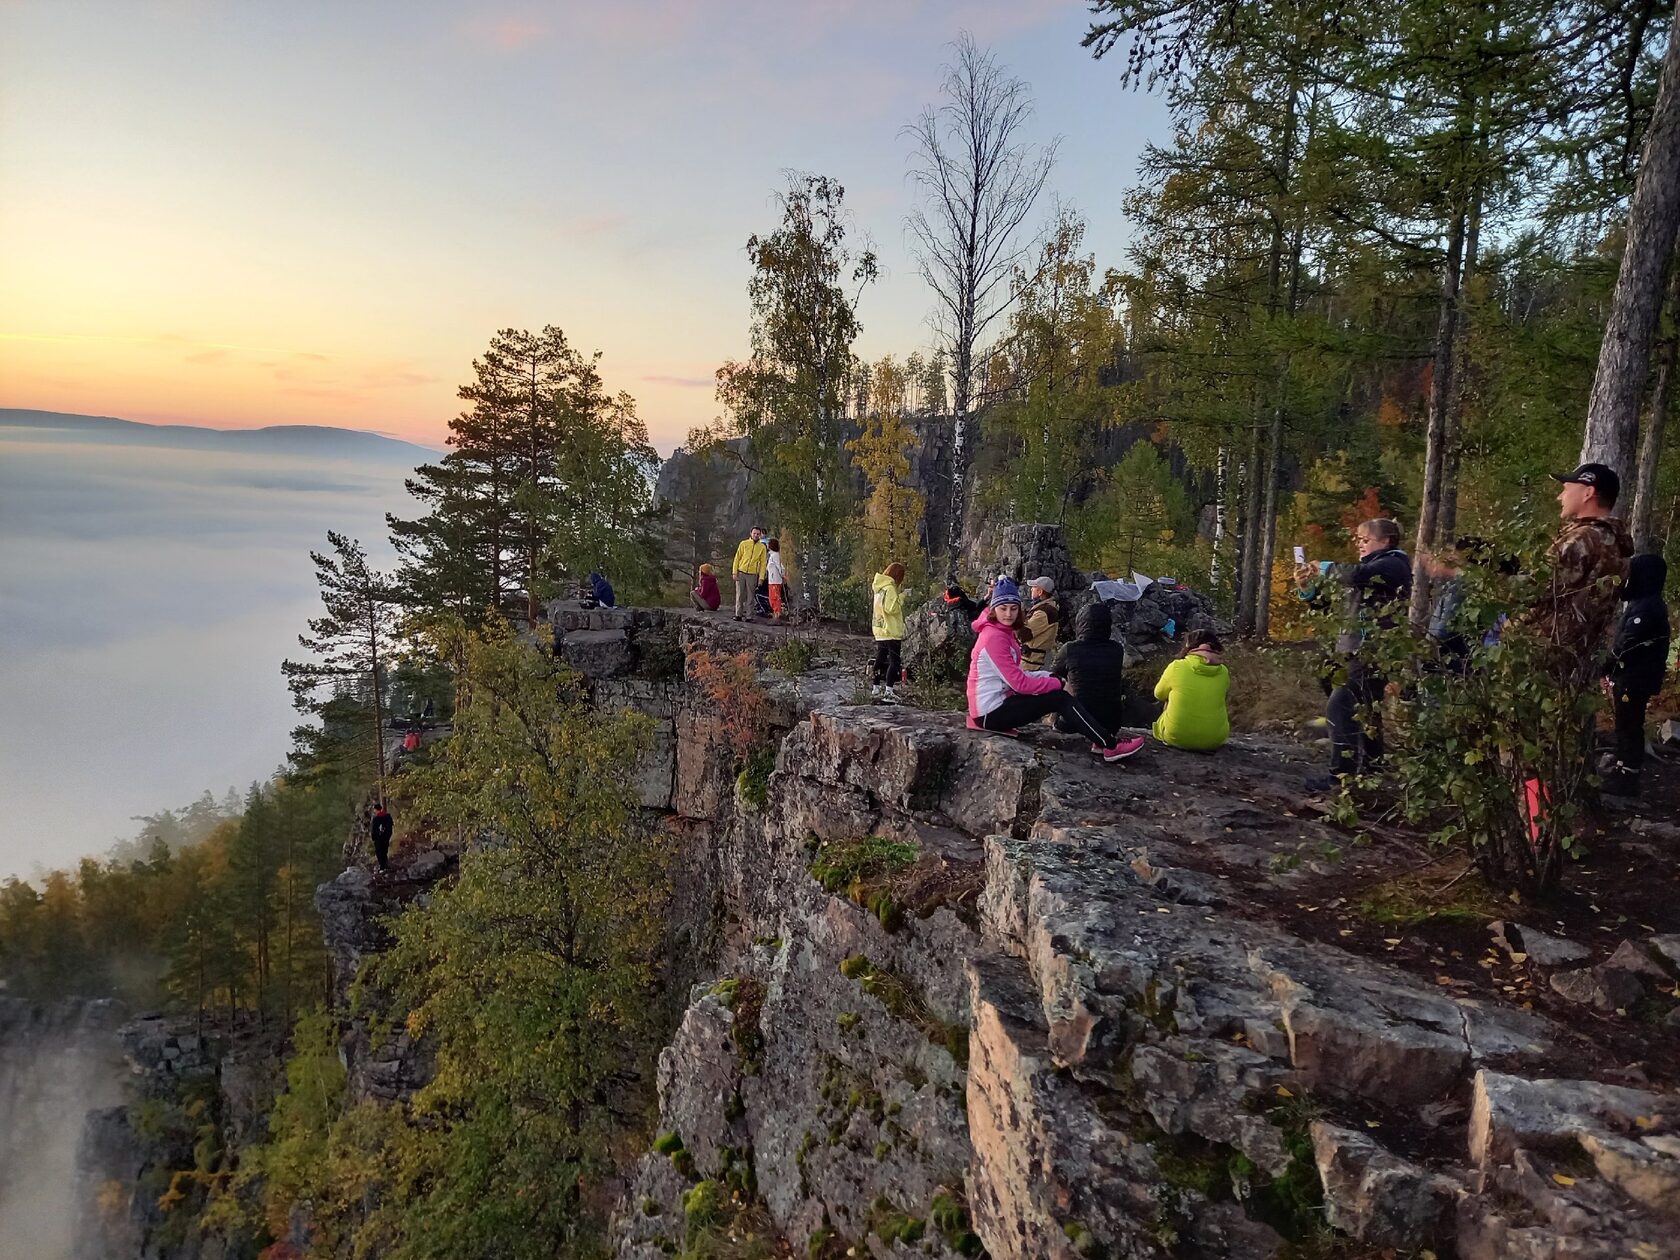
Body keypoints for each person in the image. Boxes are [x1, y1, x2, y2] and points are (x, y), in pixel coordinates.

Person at [966, 578, 1144, 761]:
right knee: (1060, 699)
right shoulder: (995, 638)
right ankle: (1110, 746)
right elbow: (1019, 684)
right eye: (1003, 608)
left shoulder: (1001, 632)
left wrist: (1051, 677)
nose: (1009, 614)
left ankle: (1104, 743)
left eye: (1013, 608)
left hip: (993, 705)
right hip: (990, 712)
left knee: (1057, 694)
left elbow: (1017, 675)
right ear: (994, 609)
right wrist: (1058, 682)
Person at [1295, 518, 1412, 790]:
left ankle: (1341, 777)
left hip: (1375, 651)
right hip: (1356, 649)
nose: (1359, 544)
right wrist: (1307, 590)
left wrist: (1322, 567)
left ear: (1385, 541)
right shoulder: (1370, 567)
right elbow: (1329, 607)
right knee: (1366, 710)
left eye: (1365, 539)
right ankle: (1371, 768)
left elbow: (1355, 575)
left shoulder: (1394, 564)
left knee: (1341, 703)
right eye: (1358, 540)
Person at [1522, 463, 1634, 685]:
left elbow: (1529, 591)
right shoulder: (1615, 544)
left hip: (1539, 654)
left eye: (1566, 488)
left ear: (1588, 493)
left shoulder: (1580, 540)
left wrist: (1485, 565)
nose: (1559, 496)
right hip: (1574, 657)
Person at [1601, 553, 1670, 796]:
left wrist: (1604, 664)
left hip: (1635, 678)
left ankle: (1628, 777)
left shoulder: (1648, 607)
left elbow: (1629, 643)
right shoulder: (1642, 604)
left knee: (1629, 725)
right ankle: (1622, 768)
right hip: (1630, 676)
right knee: (1624, 724)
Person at [1049, 601, 1128, 736]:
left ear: (1080, 623)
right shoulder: (1117, 649)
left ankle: (1052, 721)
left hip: (1073, 722)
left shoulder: (1070, 649)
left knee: (1058, 681)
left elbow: (1052, 675)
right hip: (1111, 724)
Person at [1152, 630, 1231, 752]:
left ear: (1189, 646)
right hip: (1215, 740)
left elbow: (1158, 694)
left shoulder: (1177, 666)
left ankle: (1180, 728)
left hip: (1176, 737)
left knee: (1169, 696)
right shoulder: (1224, 671)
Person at [871, 562, 908, 701]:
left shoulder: (879, 589)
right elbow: (892, 608)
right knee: (894, 662)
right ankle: (889, 691)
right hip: (891, 630)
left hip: (880, 630)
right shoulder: (890, 588)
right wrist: (903, 596)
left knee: (880, 660)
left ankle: (875, 688)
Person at [1020, 576, 1060, 671]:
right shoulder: (1046, 608)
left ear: (1040, 592)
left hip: (1033, 664)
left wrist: (1018, 617)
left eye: (1033, 587)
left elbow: (1023, 634)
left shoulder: (1043, 612)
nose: (1031, 590)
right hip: (1034, 662)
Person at [731, 527, 769, 621]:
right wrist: (734, 572)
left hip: (752, 574)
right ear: (751, 533)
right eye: (754, 533)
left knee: (751, 596)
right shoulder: (744, 544)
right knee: (739, 594)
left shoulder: (762, 547)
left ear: (760, 535)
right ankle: (738, 614)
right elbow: (737, 558)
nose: (756, 535)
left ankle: (749, 616)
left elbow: (763, 563)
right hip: (741, 571)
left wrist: (761, 577)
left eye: (757, 534)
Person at [767, 538, 788, 621]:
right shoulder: (773, 555)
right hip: (772, 580)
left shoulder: (775, 555)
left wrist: (783, 575)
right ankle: (776, 613)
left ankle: (777, 614)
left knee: (775, 597)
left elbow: (779, 566)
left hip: (775, 580)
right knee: (772, 597)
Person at [370, 802, 393, 873]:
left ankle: (382, 866)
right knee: (384, 851)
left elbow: (373, 829)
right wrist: (388, 836)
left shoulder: (376, 819)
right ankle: (385, 865)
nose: (374, 811)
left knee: (379, 852)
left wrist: (373, 838)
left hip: (379, 839)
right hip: (386, 838)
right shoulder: (388, 816)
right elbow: (390, 827)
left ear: (376, 810)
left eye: (374, 810)